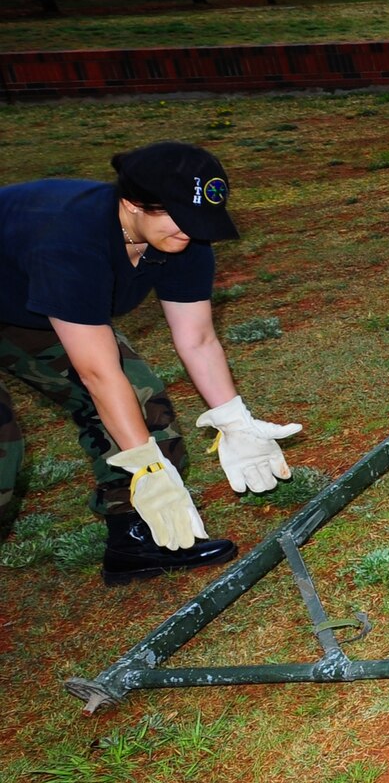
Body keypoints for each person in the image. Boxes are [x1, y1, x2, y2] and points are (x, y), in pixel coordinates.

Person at [0, 142, 302, 586]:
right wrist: (146, 464)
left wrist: (233, 419)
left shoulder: (185, 236)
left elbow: (197, 339)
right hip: (34, 279)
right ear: (131, 204)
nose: (190, 231)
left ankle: (137, 538)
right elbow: (97, 373)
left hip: (23, 301)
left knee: (141, 405)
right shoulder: (71, 241)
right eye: (178, 217)